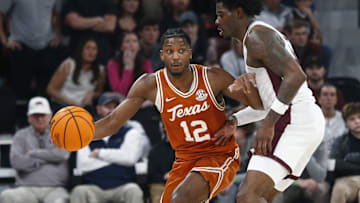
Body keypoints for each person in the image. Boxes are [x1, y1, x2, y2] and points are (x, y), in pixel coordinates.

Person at [53, 28, 263, 203]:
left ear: (189, 53)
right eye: (169, 51)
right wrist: (82, 136)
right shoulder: (149, 85)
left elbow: (259, 106)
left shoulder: (213, 77)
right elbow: (113, 122)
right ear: (161, 55)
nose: (175, 56)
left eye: (181, 50)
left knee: (182, 198)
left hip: (218, 154)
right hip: (184, 160)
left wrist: (238, 111)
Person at [214, 0, 325, 202]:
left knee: (248, 196)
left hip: (295, 120)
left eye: (221, 15)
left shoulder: (257, 37)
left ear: (238, 12)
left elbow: (296, 76)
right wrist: (235, 121)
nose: (216, 21)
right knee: (261, 197)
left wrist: (268, 123)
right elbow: (265, 105)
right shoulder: (253, 38)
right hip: (298, 119)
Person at [70, 92, 145, 203]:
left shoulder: (131, 132)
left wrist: (100, 153)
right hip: (94, 187)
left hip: (123, 186)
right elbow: (83, 165)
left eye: (116, 107)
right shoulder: (86, 134)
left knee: (134, 190)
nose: (112, 111)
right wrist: (119, 158)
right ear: (99, 109)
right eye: (107, 107)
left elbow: (130, 159)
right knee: (79, 191)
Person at [0, 97, 70, 203]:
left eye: (43, 115)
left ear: (50, 116)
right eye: (35, 115)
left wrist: (33, 153)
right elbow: (17, 162)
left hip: (55, 189)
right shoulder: (20, 136)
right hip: (26, 188)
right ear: (29, 117)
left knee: (60, 201)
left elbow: (62, 154)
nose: (40, 119)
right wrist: (48, 158)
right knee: (7, 196)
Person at [0, 0, 63, 100]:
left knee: (45, 95)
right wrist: (4, 40)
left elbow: (58, 13)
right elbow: (1, 13)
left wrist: (58, 34)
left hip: (47, 46)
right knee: (19, 94)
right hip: (20, 46)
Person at [47, 39, 105, 111]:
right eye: (88, 48)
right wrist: (71, 102)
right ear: (81, 50)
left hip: (82, 110)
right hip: (61, 106)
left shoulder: (100, 70)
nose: (91, 52)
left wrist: (92, 94)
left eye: (94, 49)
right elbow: (51, 89)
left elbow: (99, 92)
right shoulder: (69, 64)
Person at [63, 0, 116, 64]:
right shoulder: (73, 1)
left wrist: (83, 23)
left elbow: (109, 26)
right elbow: (75, 23)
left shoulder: (107, 1)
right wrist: (98, 19)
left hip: (101, 52)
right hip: (77, 49)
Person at [328, 102, 360, 203]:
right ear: (346, 123)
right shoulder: (340, 141)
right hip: (347, 179)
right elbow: (333, 165)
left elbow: (341, 164)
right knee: (339, 189)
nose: (357, 121)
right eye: (352, 119)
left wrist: (349, 157)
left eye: (359, 117)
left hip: (350, 174)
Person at [107, 31, 153, 96]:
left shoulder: (145, 63)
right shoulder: (113, 64)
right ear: (121, 47)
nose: (132, 44)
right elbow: (119, 92)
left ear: (139, 47)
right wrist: (128, 68)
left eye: (135, 41)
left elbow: (150, 88)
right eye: (127, 41)